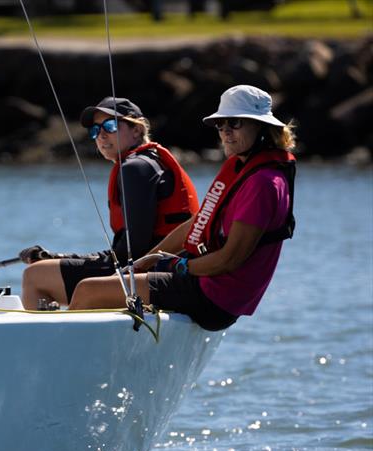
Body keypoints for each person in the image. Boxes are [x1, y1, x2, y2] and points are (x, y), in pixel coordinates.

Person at [69, 85, 296, 332]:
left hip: (214, 298)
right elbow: (198, 223)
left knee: (88, 290)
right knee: (113, 284)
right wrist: (146, 261)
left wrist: (179, 267)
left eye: (236, 123)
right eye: (221, 125)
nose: (226, 132)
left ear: (262, 127)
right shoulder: (243, 169)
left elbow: (230, 259)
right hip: (208, 284)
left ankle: (67, 366)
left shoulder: (263, 184)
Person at [20, 97, 199, 310]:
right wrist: (59, 257)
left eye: (110, 126)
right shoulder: (148, 163)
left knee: (34, 276)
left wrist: (66, 258)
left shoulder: (135, 168)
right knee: (42, 269)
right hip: (166, 268)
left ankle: (51, 339)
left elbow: (133, 251)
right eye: (95, 130)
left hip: (153, 271)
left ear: (136, 130)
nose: (101, 135)